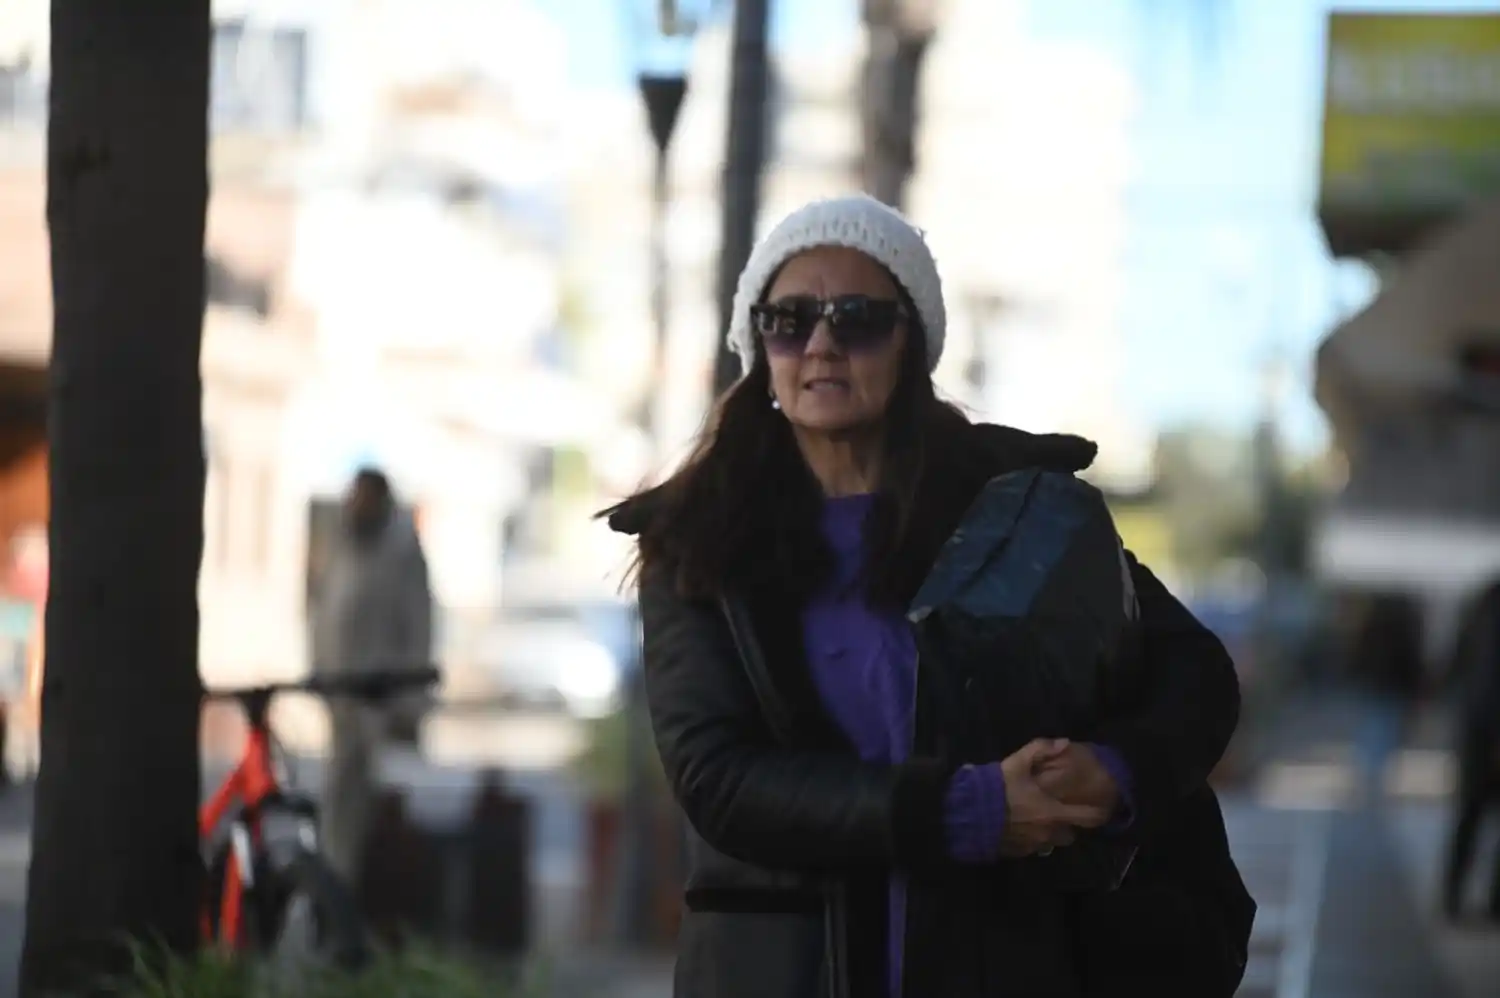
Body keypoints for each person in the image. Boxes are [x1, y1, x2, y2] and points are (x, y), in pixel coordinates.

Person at [604, 195, 1245, 998]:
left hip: (1011, 960)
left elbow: (1194, 673)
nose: (822, 344)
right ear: (759, 346)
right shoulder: (697, 543)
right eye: (790, 320)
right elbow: (719, 779)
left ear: (913, 342)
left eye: (858, 318)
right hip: (787, 970)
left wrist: (1115, 771)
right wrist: (966, 810)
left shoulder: (1016, 510)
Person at [310, 466, 435, 886]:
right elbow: (323, 615)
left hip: (382, 700)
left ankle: (369, 899)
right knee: (337, 800)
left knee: (377, 807)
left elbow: (419, 626)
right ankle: (335, 887)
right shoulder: (343, 546)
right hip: (342, 697)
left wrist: (410, 701)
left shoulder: (401, 552)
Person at [1444, 579, 1500, 920]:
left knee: (1471, 815)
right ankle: (1464, 899)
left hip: (1478, 728)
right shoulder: (1492, 605)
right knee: (1473, 815)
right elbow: (1487, 674)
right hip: (1486, 731)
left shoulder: (1485, 600)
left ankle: (1461, 897)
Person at [1347, 592, 1426, 805]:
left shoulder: (1376, 628)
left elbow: (1359, 654)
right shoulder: (1405, 628)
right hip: (1391, 686)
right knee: (1384, 730)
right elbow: (1412, 661)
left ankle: (1370, 774)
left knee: (1375, 729)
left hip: (1379, 685)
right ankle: (1374, 774)